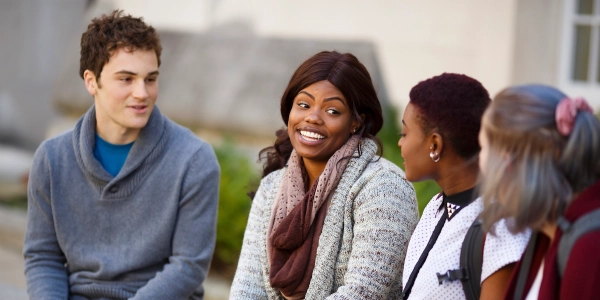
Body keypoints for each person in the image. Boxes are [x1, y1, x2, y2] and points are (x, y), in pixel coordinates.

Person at [23, 10, 220, 299]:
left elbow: (188, 266)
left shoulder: (194, 160)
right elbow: (43, 257)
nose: (142, 93)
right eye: (126, 79)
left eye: (150, 79)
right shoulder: (52, 159)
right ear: (92, 81)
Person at [229, 51, 419, 299]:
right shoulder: (271, 187)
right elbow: (247, 289)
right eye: (304, 105)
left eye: (332, 111)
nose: (312, 118)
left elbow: (362, 294)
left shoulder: (384, 187)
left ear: (356, 121)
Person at [399, 73, 530, 300]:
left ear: (435, 144)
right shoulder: (436, 207)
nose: (400, 142)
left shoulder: (501, 225)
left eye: (405, 133)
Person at [478, 84, 600, 300]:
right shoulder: (548, 233)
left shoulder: (589, 250)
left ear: (508, 161)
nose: (479, 160)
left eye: (483, 147)